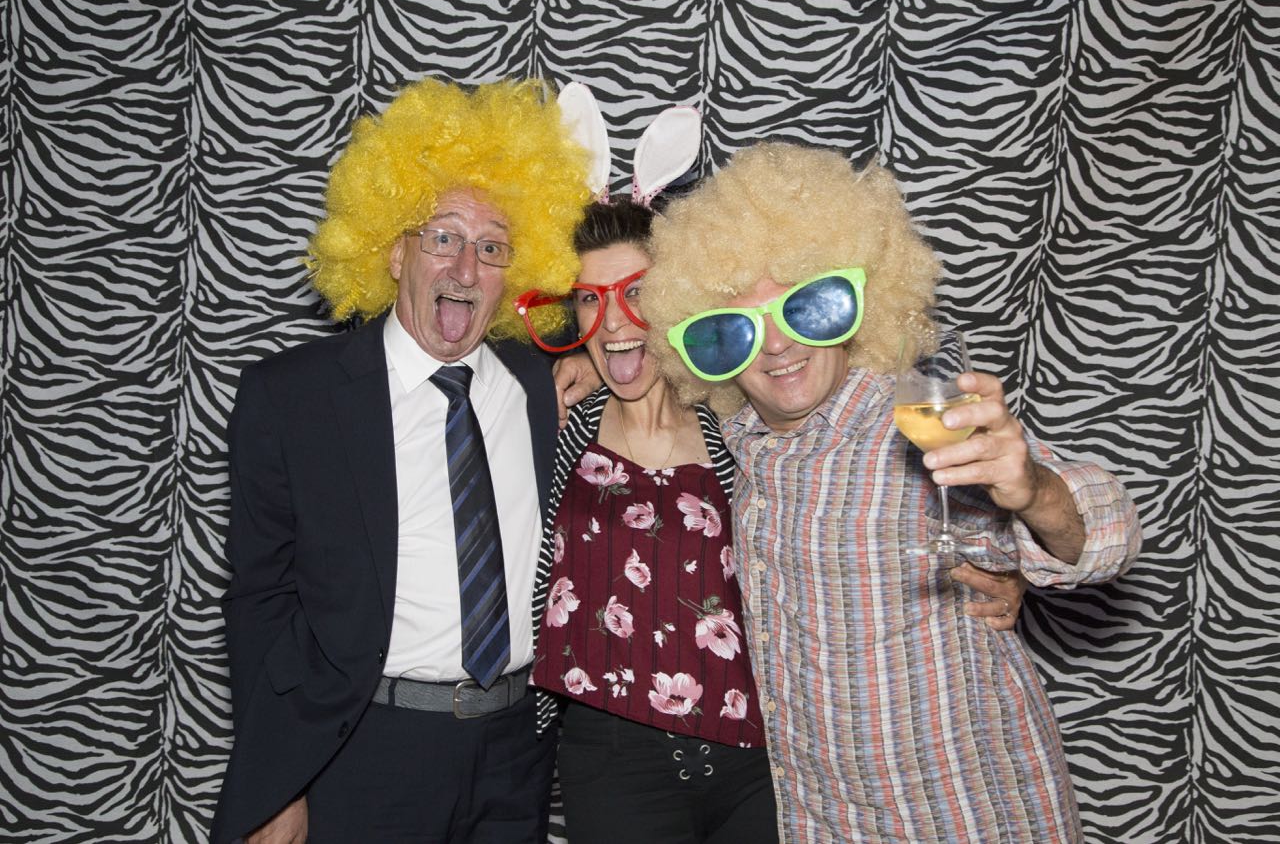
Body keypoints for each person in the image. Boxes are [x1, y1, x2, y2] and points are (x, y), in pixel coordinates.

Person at [641, 142, 1144, 842]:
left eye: (804, 307)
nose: (776, 344)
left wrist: (1034, 491)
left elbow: (1106, 534)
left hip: (965, 815)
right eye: (736, 328)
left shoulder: (916, 424)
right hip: (822, 820)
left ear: (859, 304)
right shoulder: (740, 447)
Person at [211, 78, 590, 844]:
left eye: (492, 247)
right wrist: (276, 782)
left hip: (516, 756)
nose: (465, 268)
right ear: (391, 249)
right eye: (442, 236)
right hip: (361, 754)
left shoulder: (542, 386)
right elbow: (259, 603)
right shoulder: (292, 399)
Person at [521, 196, 779, 843]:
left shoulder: (739, 424)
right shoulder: (553, 422)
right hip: (613, 762)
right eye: (589, 298)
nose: (612, 320)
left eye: (636, 291)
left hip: (755, 757)